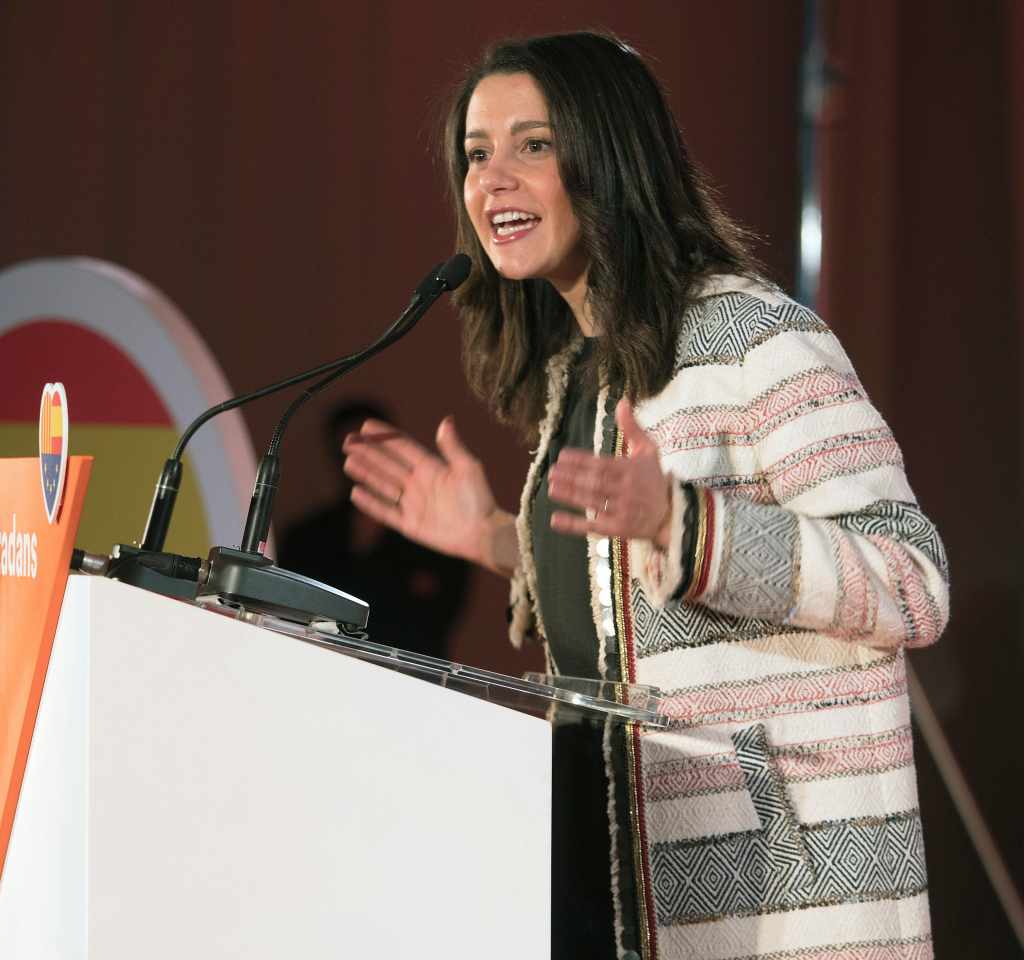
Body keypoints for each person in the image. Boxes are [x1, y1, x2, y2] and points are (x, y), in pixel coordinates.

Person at [341, 33, 948, 960]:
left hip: (776, 897)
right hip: (608, 876)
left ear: (610, 157)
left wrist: (687, 522)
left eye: (533, 146)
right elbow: (622, 597)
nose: (493, 178)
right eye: (476, 155)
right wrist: (498, 541)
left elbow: (913, 582)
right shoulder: (576, 369)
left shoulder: (752, 336)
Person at [277, 399, 471, 659]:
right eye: (347, 450)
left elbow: (439, 619)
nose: (361, 461)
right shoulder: (307, 538)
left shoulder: (437, 537)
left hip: (410, 680)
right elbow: (293, 617)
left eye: (371, 448)